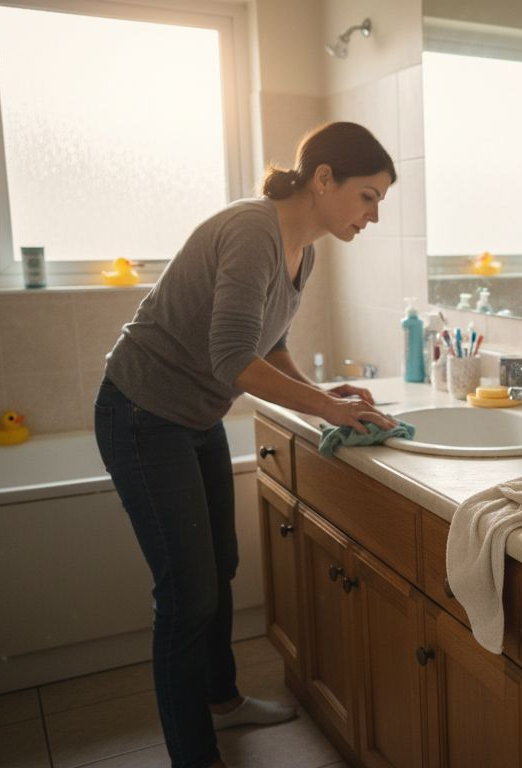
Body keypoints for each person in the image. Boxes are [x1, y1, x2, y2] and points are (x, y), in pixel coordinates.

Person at [94, 121, 398, 768]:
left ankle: (222, 700)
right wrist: (326, 408)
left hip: (192, 417)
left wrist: (325, 394)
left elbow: (269, 344)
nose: (375, 214)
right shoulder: (252, 232)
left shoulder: (302, 250)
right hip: (141, 413)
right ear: (324, 179)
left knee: (222, 564)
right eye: (368, 195)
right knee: (186, 596)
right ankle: (194, 757)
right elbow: (233, 358)